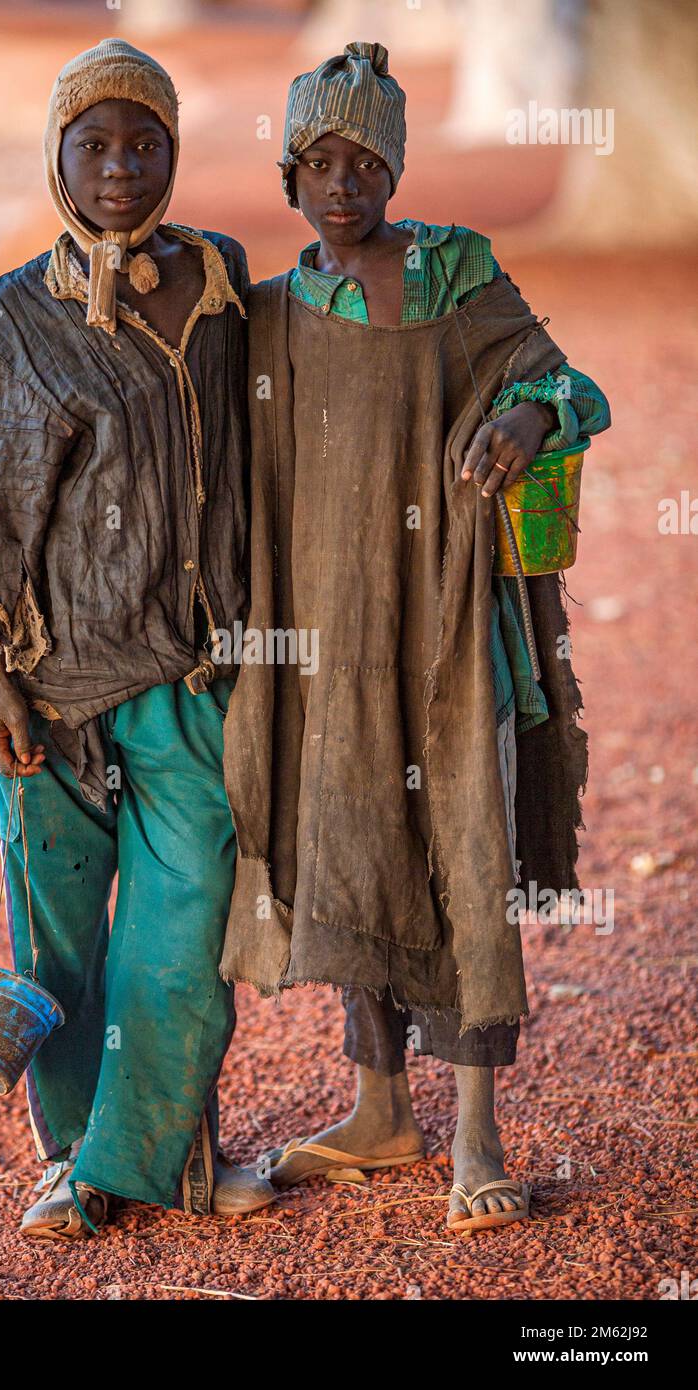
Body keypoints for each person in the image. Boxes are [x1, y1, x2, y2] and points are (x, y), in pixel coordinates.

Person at [218, 41, 610, 1233]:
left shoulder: (456, 278)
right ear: (288, 178)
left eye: (366, 159)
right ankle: (380, 1110)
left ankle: (477, 1138)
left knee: (461, 846)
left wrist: (529, 410)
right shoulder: (274, 316)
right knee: (354, 843)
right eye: (320, 161)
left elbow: (574, 385)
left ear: (393, 166)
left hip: (447, 631)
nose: (344, 182)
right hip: (325, 645)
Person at [0, 38, 273, 1238]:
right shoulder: (21, 312)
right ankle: (84, 1159)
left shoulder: (223, 277)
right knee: (64, 942)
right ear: (58, 158)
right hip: (54, 681)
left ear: (175, 154)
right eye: (97, 145)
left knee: (182, 942)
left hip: (192, 674)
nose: (122, 167)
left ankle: (137, 1159)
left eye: (145, 143)